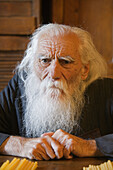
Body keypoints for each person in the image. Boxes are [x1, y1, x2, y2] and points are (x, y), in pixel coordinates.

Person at [0, 24, 113, 160]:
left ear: (84, 69)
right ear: (33, 63)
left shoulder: (107, 91)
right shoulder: (19, 86)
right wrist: (19, 145)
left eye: (65, 62)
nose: (53, 74)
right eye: (45, 60)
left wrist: (91, 146)